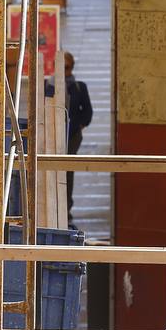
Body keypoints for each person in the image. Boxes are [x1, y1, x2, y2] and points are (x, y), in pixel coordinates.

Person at [63, 51, 93, 222]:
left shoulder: (79, 87)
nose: (63, 71)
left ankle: (66, 208)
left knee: (67, 172)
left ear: (71, 68)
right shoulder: (48, 85)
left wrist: (78, 126)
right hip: (52, 134)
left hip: (72, 136)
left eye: (66, 67)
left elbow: (87, 113)